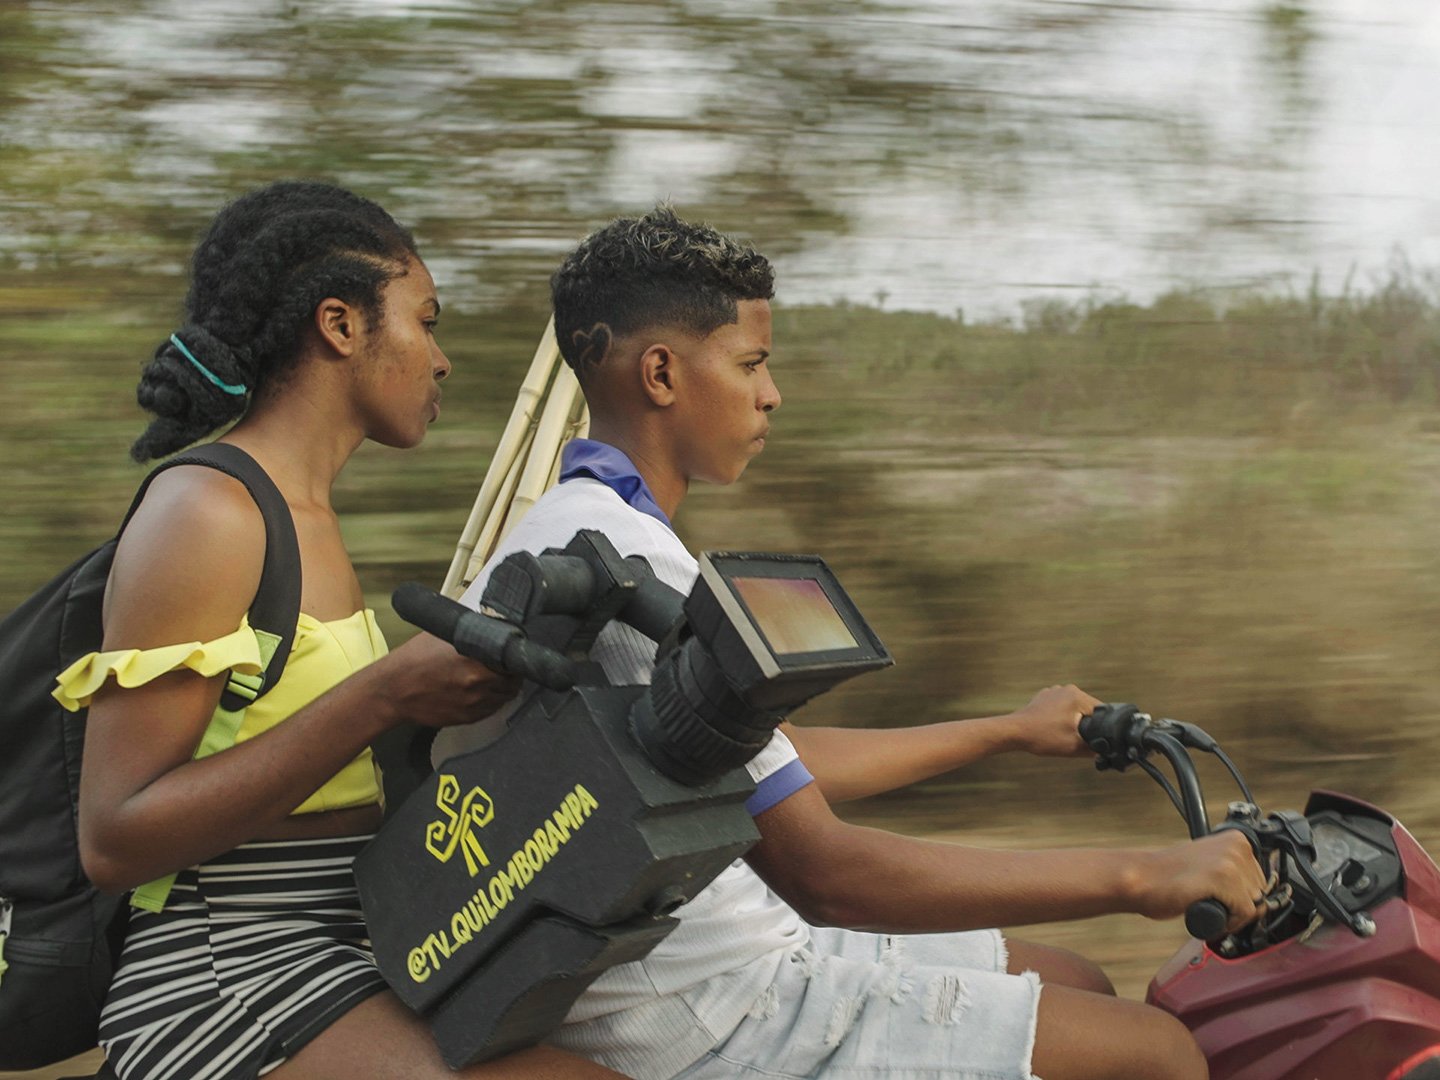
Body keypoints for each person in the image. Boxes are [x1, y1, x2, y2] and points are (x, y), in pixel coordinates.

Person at [436, 208, 1266, 1080]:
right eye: (752, 363)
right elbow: (829, 874)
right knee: (1159, 1055)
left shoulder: (589, 530)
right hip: (704, 1005)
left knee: (1083, 979)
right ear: (661, 373)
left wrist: (1008, 731)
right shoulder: (627, 574)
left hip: (731, 951)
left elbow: (765, 764)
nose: (771, 393)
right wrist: (1141, 878)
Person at [64, 181, 629, 1080]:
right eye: (426, 320)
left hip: (354, 943)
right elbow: (115, 836)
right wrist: (386, 692)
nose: (442, 359)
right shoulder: (209, 512)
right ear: (340, 324)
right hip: (228, 977)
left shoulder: (308, 517)